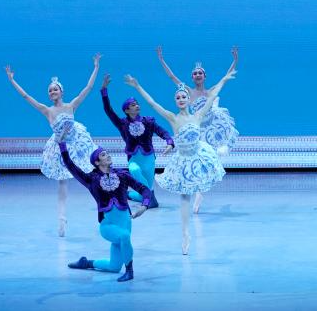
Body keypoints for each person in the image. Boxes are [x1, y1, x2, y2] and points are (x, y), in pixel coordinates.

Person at [124, 75, 228, 255]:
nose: (180, 99)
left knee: (202, 179)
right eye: (178, 97)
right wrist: (138, 86)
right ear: (175, 101)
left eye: (183, 97)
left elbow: (212, 96)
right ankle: (185, 234)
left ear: (188, 99)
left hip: (198, 155)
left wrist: (224, 79)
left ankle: (200, 193)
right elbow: (152, 103)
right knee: (185, 198)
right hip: (184, 161)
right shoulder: (172, 118)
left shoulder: (197, 115)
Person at [4, 54, 100, 236]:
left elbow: (88, 88)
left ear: (61, 92)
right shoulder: (47, 110)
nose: (52, 92)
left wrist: (96, 67)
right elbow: (26, 96)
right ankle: (61, 218)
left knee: (92, 173)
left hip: (77, 144)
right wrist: (12, 80)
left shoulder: (71, 106)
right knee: (62, 183)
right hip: (60, 147)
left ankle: (104, 201)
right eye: (49, 91)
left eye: (55, 89)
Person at [156, 46, 239, 213]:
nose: (197, 75)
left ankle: (199, 196)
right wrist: (161, 60)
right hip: (198, 131)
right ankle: (196, 193)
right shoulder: (188, 92)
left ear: (204, 76)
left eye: (200, 73)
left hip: (213, 129)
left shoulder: (210, 91)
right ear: (192, 77)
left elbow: (225, 78)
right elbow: (172, 77)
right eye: (195, 73)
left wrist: (235, 61)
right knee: (197, 161)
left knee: (209, 163)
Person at [60, 132, 150, 282]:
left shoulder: (122, 175)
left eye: (107, 153)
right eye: (103, 155)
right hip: (108, 225)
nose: (108, 155)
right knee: (124, 237)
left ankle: (86, 263)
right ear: (96, 162)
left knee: (114, 266)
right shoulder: (91, 179)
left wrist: (144, 206)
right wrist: (62, 144)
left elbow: (145, 190)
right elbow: (70, 165)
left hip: (125, 222)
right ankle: (130, 271)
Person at [100, 73, 175, 207]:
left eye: (137, 104)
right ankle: (147, 196)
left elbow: (162, 131)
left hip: (149, 160)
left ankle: (127, 194)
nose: (137, 106)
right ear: (127, 110)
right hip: (134, 159)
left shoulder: (148, 121)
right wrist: (104, 91)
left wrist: (169, 142)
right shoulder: (122, 124)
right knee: (134, 170)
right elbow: (108, 110)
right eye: (133, 105)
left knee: (150, 199)